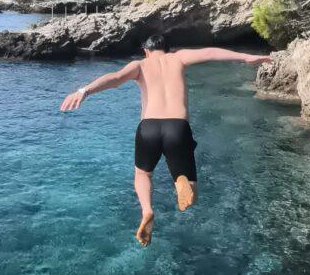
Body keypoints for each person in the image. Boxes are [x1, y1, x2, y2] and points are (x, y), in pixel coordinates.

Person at [59, 35, 271, 246]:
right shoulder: (178, 58)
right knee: (191, 194)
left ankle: (147, 209)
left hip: (149, 127)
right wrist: (246, 57)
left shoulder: (140, 64)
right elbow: (211, 52)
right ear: (167, 49)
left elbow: (114, 78)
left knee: (142, 173)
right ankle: (181, 182)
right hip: (177, 127)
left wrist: (84, 91)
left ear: (146, 51)